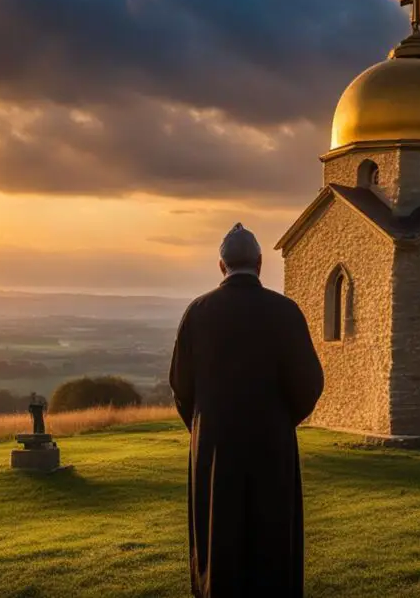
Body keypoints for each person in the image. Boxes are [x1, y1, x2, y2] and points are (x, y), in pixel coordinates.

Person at [169, 223, 325, 598]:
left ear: (221, 266)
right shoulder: (285, 312)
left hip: (214, 447)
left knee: (219, 536)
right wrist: (282, 421)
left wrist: (205, 425)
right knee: (271, 537)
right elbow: (309, 384)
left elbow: (181, 386)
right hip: (272, 442)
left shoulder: (198, 312)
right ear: (259, 262)